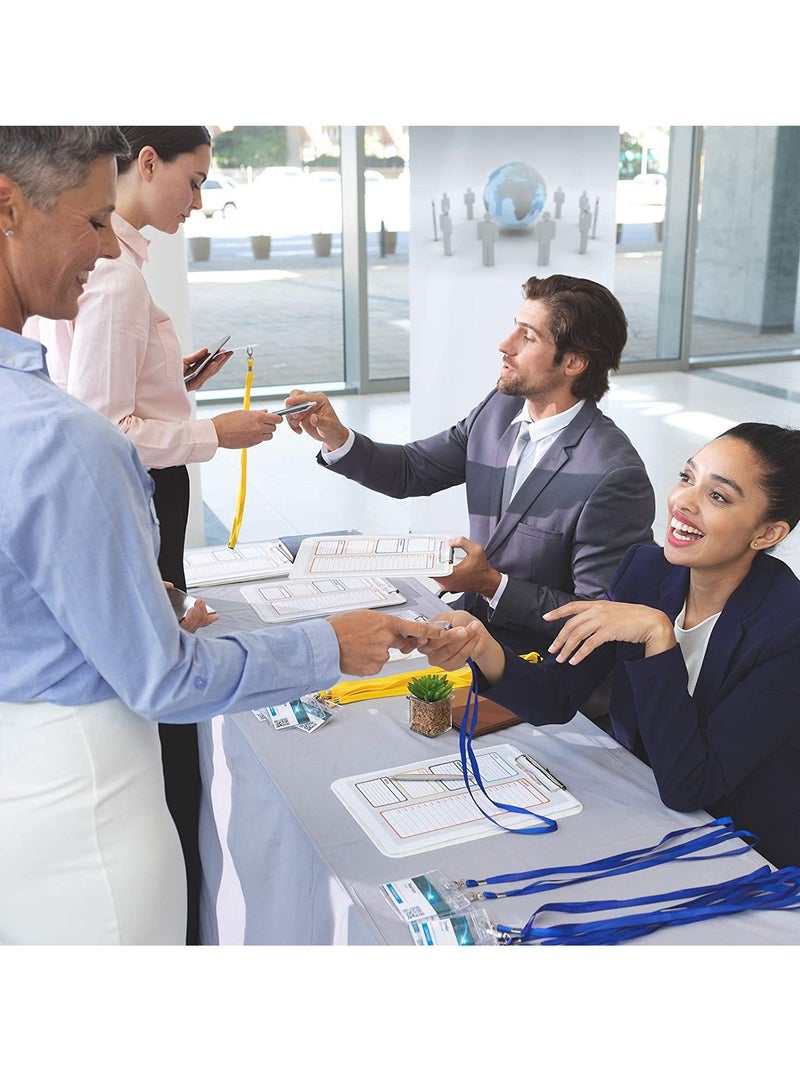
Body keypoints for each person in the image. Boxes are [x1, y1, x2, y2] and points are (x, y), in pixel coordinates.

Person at [0, 126, 445, 945]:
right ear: (8, 206)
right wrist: (329, 643)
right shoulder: (56, 437)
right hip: (85, 805)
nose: (105, 251)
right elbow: (162, 680)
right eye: (92, 221)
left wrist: (146, 598)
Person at [25, 126, 284, 945]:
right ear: (146, 164)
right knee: (163, 663)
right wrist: (214, 432)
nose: (199, 201)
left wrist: (178, 381)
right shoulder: (114, 278)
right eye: (195, 180)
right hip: (143, 484)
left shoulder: (114, 271)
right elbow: (100, 423)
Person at [419, 423, 800, 869]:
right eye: (686, 478)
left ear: (767, 534)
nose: (683, 503)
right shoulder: (646, 570)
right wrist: (481, 646)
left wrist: (659, 638)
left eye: (718, 497)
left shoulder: (787, 630)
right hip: (638, 804)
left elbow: (691, 785)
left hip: (742, 849)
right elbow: (557, 695)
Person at [283, 274, 655, 661]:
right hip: (469, 630)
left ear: (574, 362)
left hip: (538, 671)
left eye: (527, 337)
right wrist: (336, 435)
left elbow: (597, 622)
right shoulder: (500, 409)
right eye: (515, 328)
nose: (504, 345)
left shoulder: (613, 475)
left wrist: (494, 584)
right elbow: (412, 469)